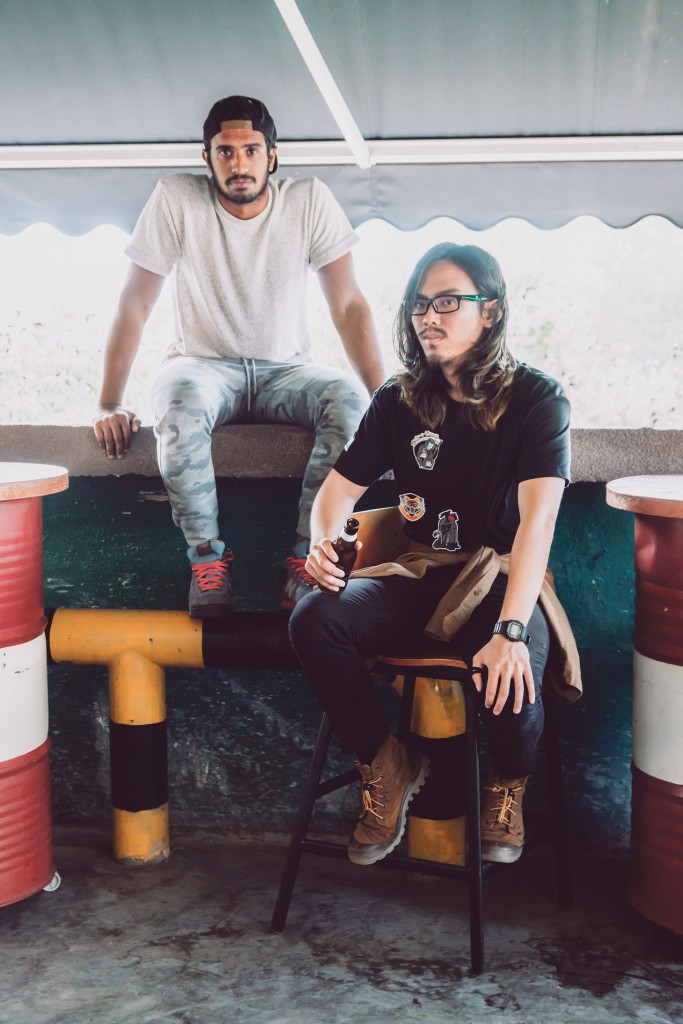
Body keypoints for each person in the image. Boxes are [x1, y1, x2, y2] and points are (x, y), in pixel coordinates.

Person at [289, 242, 581, 867]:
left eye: (449, 301)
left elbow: (539, 521)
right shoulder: (398, 399)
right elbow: (337, 492)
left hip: (500, 577)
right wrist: (322, 541)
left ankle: (508, 783)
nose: (429, 316)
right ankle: (386, 763)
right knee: (314, 617)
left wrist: (509, 629)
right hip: (420, 569)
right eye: (421, 304)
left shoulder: (537, 398)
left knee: (510, 666)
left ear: (492, 310)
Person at [92, 95, 384, 617]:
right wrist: (108, 401)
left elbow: (348, 303)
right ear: (206, 158)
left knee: (349, 400)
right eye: (225, 152)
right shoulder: (176, 198)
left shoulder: (309, 199)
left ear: (272, 156)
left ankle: (305, 559)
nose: (239, 163)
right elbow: (136, 300)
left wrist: (386, 399)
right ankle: (206, 559)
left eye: (251, 150)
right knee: (177, 398)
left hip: (288, 370)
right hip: (202, 366)